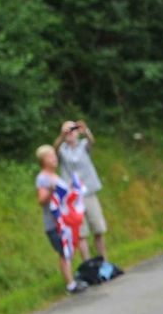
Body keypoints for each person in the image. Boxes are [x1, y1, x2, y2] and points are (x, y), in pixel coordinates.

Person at [35, 145, 88, 294]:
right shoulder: (43, 178)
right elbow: (41, 200)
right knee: (64, 252)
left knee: (68, 251)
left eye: (54, 155)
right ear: (43, 160)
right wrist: (51, 191)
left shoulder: (55, 176)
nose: (54, 158)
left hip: (65, 222)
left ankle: (72, 280)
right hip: (54, 223)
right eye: (50, 156)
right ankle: (70, 285)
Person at [54, 119, 108, 261]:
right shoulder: (62, 150)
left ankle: (104, 261)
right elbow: (54, 150)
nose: (70, 133)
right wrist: (62, 136)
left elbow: (91, 141)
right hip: (72, 198)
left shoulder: (83, 145)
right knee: (81, 233)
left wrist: (85, 130)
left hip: (88, 193)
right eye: (67, 130)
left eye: (72, 130)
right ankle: (87, 263)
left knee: (98, 228)